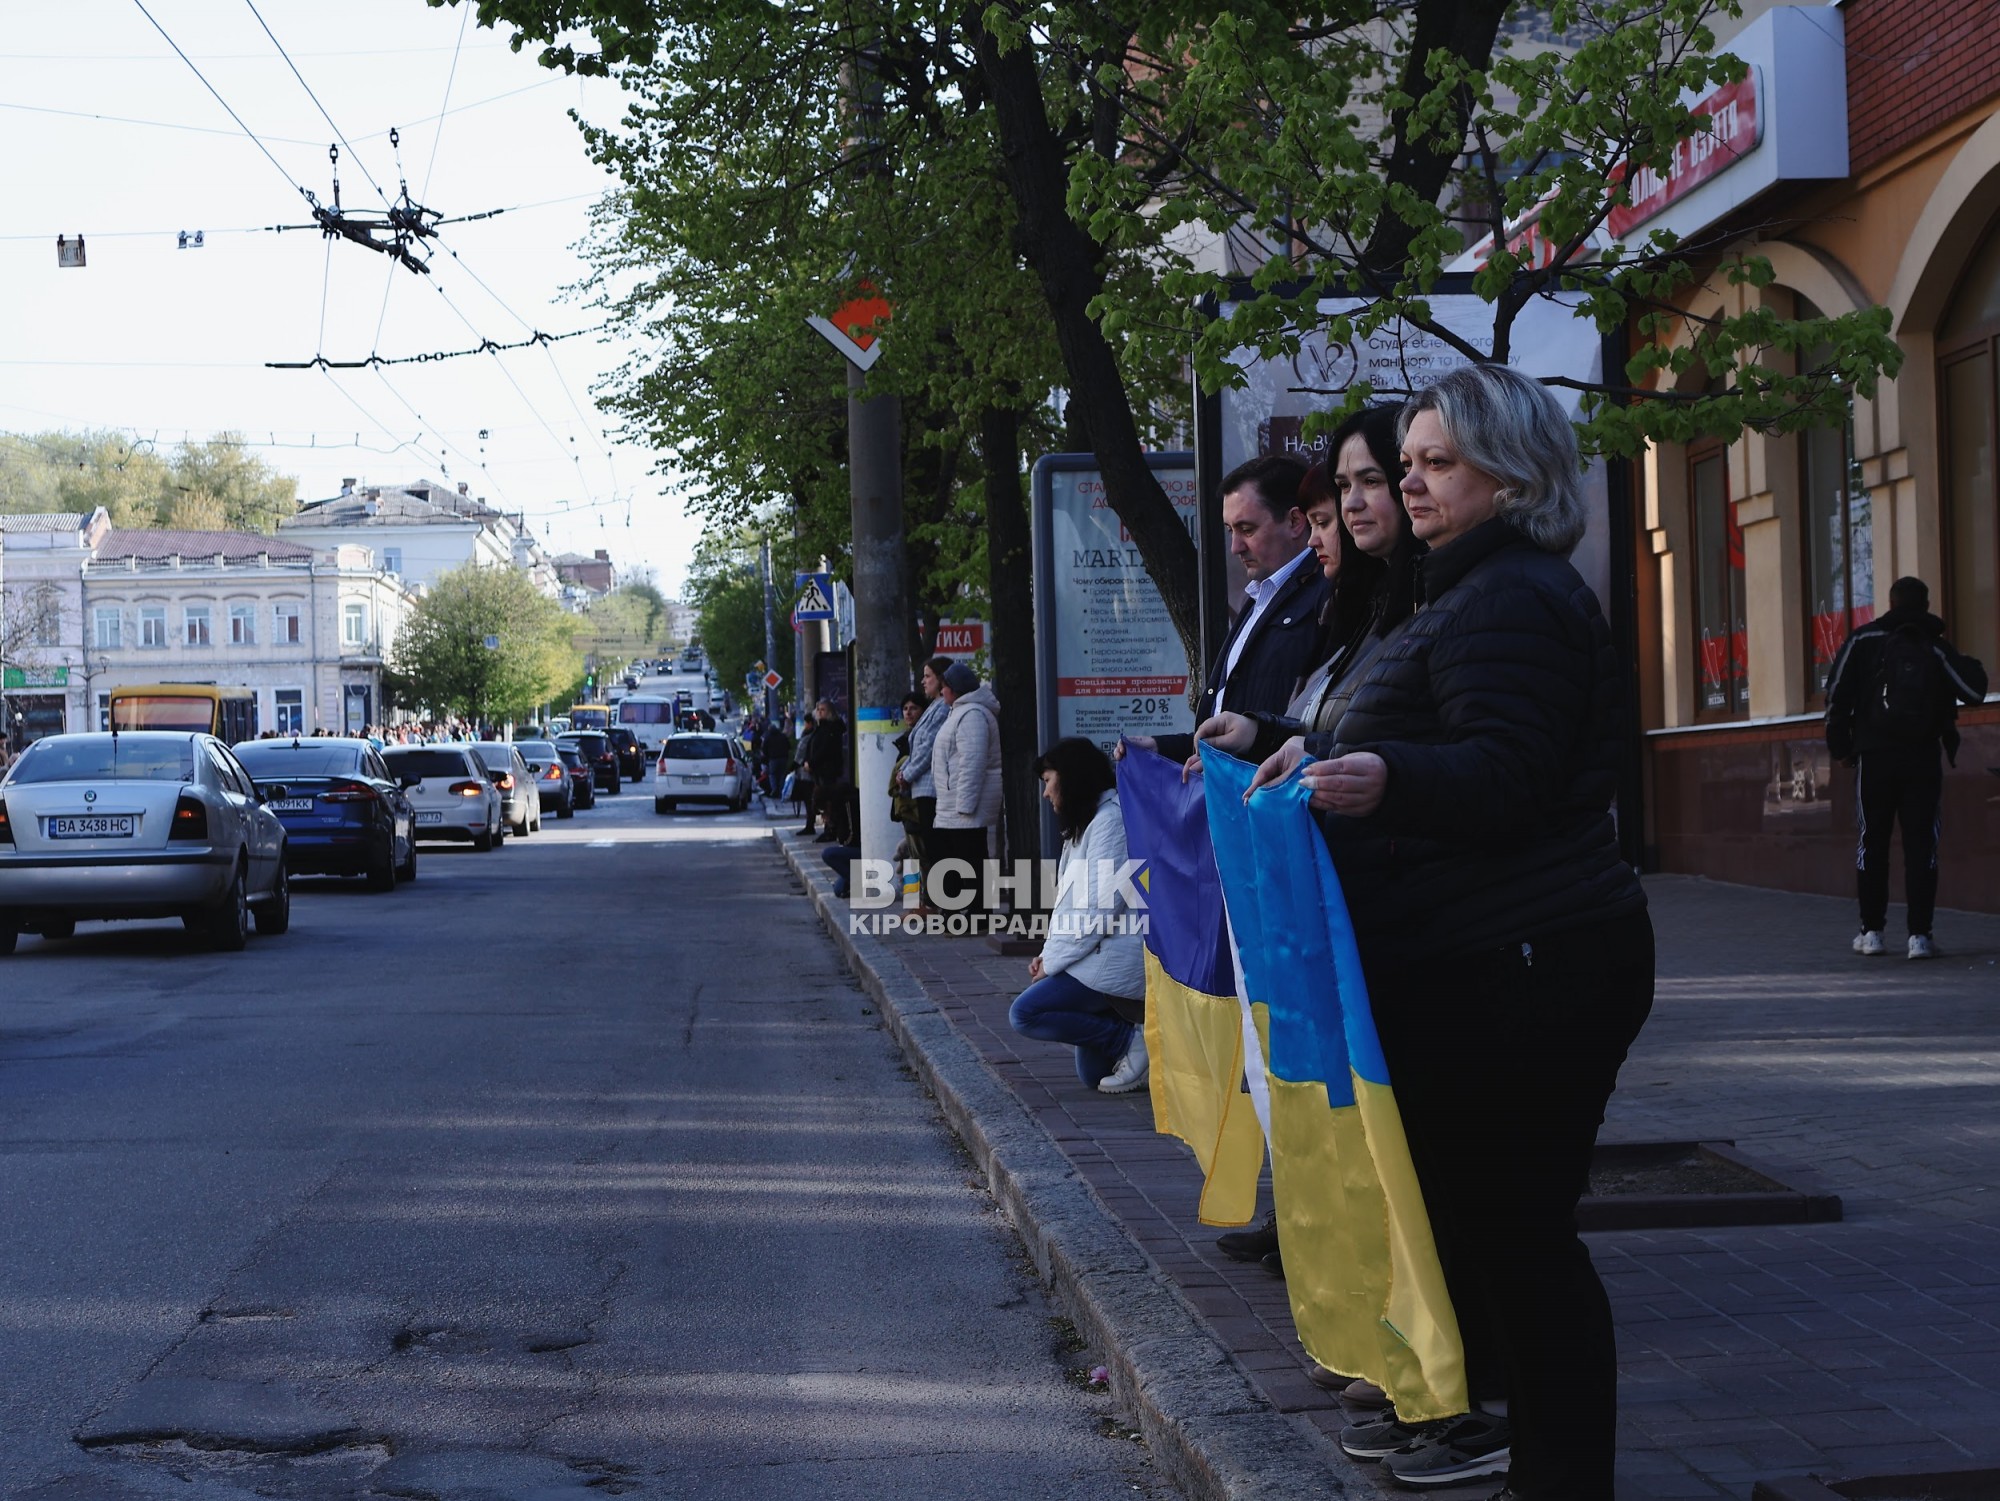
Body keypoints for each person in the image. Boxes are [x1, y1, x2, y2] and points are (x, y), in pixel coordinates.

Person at [1249, 365, 1652, 1498]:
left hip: (1528, 962)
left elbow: (1508, 775)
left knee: (1520, 1243)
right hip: (1481, 957)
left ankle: (1561, 1480)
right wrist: (1304, 747)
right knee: (1491, 1240)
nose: (1412, 483)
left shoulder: (1512, 591)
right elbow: (1429, 731)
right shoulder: (1454, 589)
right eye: (1408, 461)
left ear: (1511, 473)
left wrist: (1384, 777)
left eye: (1435, 463)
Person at [1190, 408, 1420, 1280]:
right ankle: (1306, 1216)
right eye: (1338, 502)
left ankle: (1338, 1242)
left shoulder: (1342, 606)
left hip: (1375, 884)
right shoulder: (1333, 607)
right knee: (1285, 1051)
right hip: (1293, 858)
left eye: (1369, 488)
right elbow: (1308, 721)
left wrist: (1288, 740)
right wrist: (1252, 737)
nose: (1347, 520)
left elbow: (1457, 754)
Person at [1123, 452, 1329, 762]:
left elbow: (1316, 729)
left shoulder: (1326, 595)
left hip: (1278, 798)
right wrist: (1163, 749)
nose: (1235, 547)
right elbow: (1231, 730)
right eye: (1230, 530)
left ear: (1295, 522)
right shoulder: (1260, 598)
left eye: (1247, 529)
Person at [1823, 575, 1987, 959]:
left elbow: (1836, 697)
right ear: (1926, 605)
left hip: (1874, 759)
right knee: (1922, 846)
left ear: (1891, 603)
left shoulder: (1863, 641)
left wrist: (1843, 748)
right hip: (1922, 760)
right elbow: (1974, 691)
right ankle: (1920, 936)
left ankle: (1872, 932)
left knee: (1872, 843)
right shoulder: (1933, 645)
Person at [1008, 739, 1148, 1091]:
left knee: (1025, 1013)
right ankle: (1130, 1037)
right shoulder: (1086, 822)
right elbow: (1069, 907)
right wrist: (1046, 955)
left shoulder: (1110, 821)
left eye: (1048, 780)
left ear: (1070, 778)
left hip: (1117, 953)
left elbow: (1097, 910)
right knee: (1092, 1075)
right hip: (1096, 953)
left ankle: (1129, 1040)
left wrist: (1052, 965)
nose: (1045, 793)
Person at [927, 662, 1002, 912]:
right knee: (962, 860)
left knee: (969, 861)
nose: (941, 691)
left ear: (953, 689)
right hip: (955, 805)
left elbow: (973, 762)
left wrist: (965, 805)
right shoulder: (961, 712)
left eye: (944, 686)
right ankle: (965, 913)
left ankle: (975, 915)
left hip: (964, 807)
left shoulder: (972, 715)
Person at [895, 656, 954, 884]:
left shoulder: (941, 709)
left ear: (941, 679)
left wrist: (907, 774)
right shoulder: (936, 707)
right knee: (924, 849)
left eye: (928, 676)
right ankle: (931, 902)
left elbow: (928, 746)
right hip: (920, 789)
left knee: (935, 850)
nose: (923, 681)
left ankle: (941, 904)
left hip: (930, 788)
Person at [797, 700, 848, 842]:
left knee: (828, 801)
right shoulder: (820, 727)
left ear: (830, 712)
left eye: (823, 709)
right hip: (819, 770)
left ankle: (831, 830)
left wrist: (811, 762)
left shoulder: (832, 728)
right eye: (818, 709)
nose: (819, 712)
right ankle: (828, 828)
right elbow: (813, 746)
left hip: (828, 770)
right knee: (823, 801)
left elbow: (825, 749)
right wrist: (807, 762)